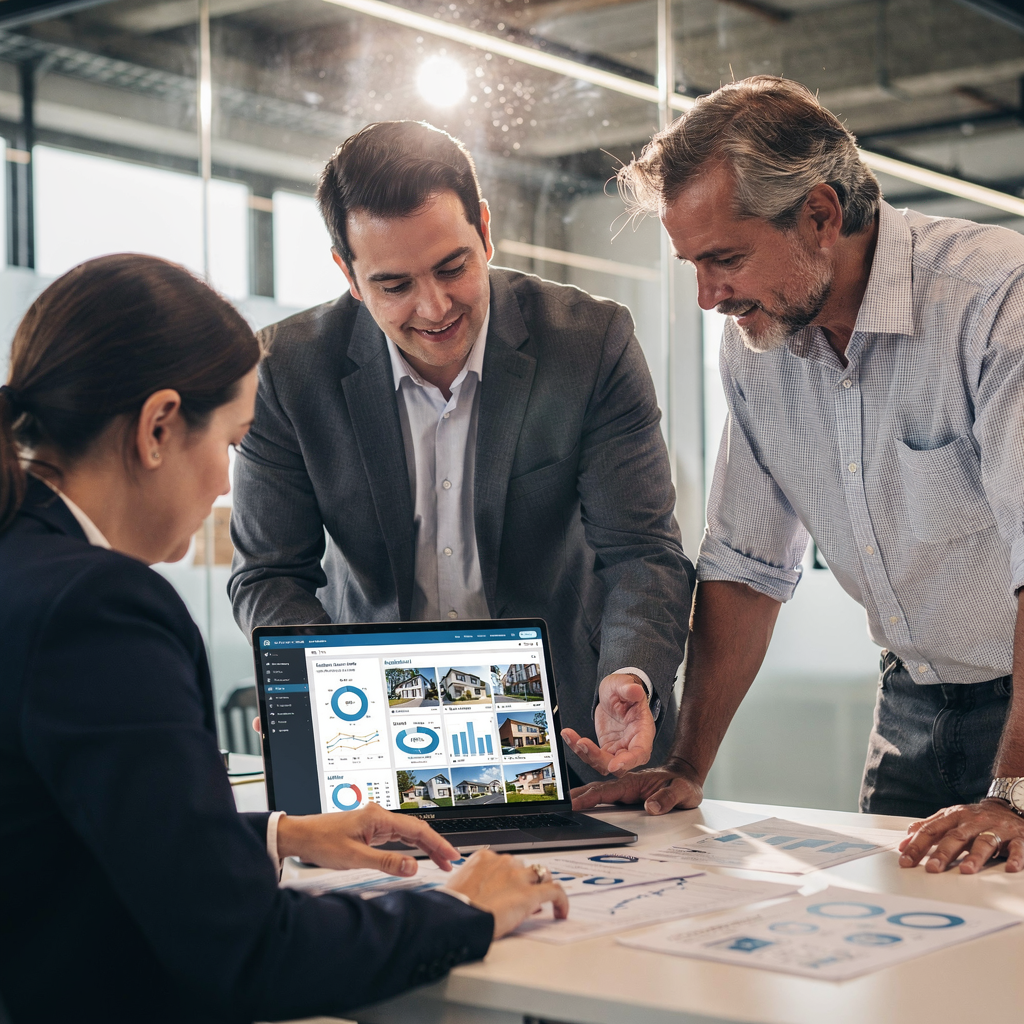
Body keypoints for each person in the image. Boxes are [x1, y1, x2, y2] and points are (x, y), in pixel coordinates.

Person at [0, 253, 567, 1023]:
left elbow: (49, 828)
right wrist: (464, 909)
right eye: (231, 441)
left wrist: (279, 833)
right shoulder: (98, 608)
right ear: (159, 426)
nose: (226, 486)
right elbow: (248, 952)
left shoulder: (23, 563)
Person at [570, 75, 1024, 876]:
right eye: (694, 266)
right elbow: (746, 568)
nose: (709, 295)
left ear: (820, 216)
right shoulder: (761, 344)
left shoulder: (994, 302)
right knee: (905, 966)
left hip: (1018, 715)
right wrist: (686, 763)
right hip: (915, 706)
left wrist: (1016, 790)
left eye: (726, 258)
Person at [227, 120, 694, 783]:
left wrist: (631, 673)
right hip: (377, 735)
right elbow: (268, 572)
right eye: (394, 285)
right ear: (348, 274)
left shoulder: (588, 344)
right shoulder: (287, 371)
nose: (435, 306)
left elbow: (642, 549)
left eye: (453, 267)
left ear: (483, 228)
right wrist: (311, 679)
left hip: (577, 735)